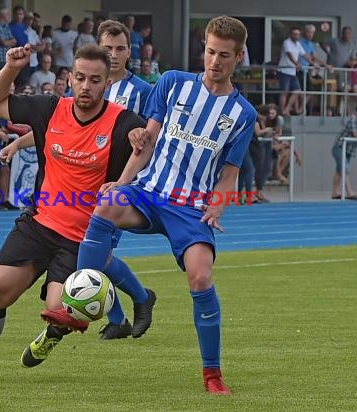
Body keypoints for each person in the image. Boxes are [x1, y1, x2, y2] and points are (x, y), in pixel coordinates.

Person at [75, 16, 256, 394]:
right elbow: (146, 142)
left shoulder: (243, 115)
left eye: (224, 55)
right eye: (209, 51)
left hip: (190, 209)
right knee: (106, 203)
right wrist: (122, 181)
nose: (214, 61)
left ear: (238, 56)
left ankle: (212, 374)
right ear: (203, 48)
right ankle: (76, 305)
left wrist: (218, 205)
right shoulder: (173, 83)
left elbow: (229, 173)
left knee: (201, 277)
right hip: (148, 192)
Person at [0, 44, 153, 383]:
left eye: (95, 80)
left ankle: (53, 335)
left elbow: (146, 147)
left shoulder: (123, 122)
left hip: (81, 239)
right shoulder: (49, 108)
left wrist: (135, 151)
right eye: (80, 78)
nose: (86, 86)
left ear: (107, 84)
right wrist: (12, 68)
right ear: (69, 78)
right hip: (40, 224)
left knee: (62, 312)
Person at [18, 19, 154, 340]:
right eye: (108, 48)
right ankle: (124, 313)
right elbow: (57, 129)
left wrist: (139, 136)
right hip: (78, 185)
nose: (115, 53)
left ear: (128, 51)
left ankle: (135, 303)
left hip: (116, 187)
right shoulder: (86, 85)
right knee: (93, 258)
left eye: (120, 48)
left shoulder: (143, 91)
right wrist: (15, 143)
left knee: (94, 256)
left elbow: (150, 132)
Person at [331, 105, 357, 200]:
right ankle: (350, 192)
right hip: (339, 147)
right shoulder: (352, 120)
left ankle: (335, 192)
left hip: (349, 150)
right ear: (355, 112)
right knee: (344, 168)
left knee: (339, 170)